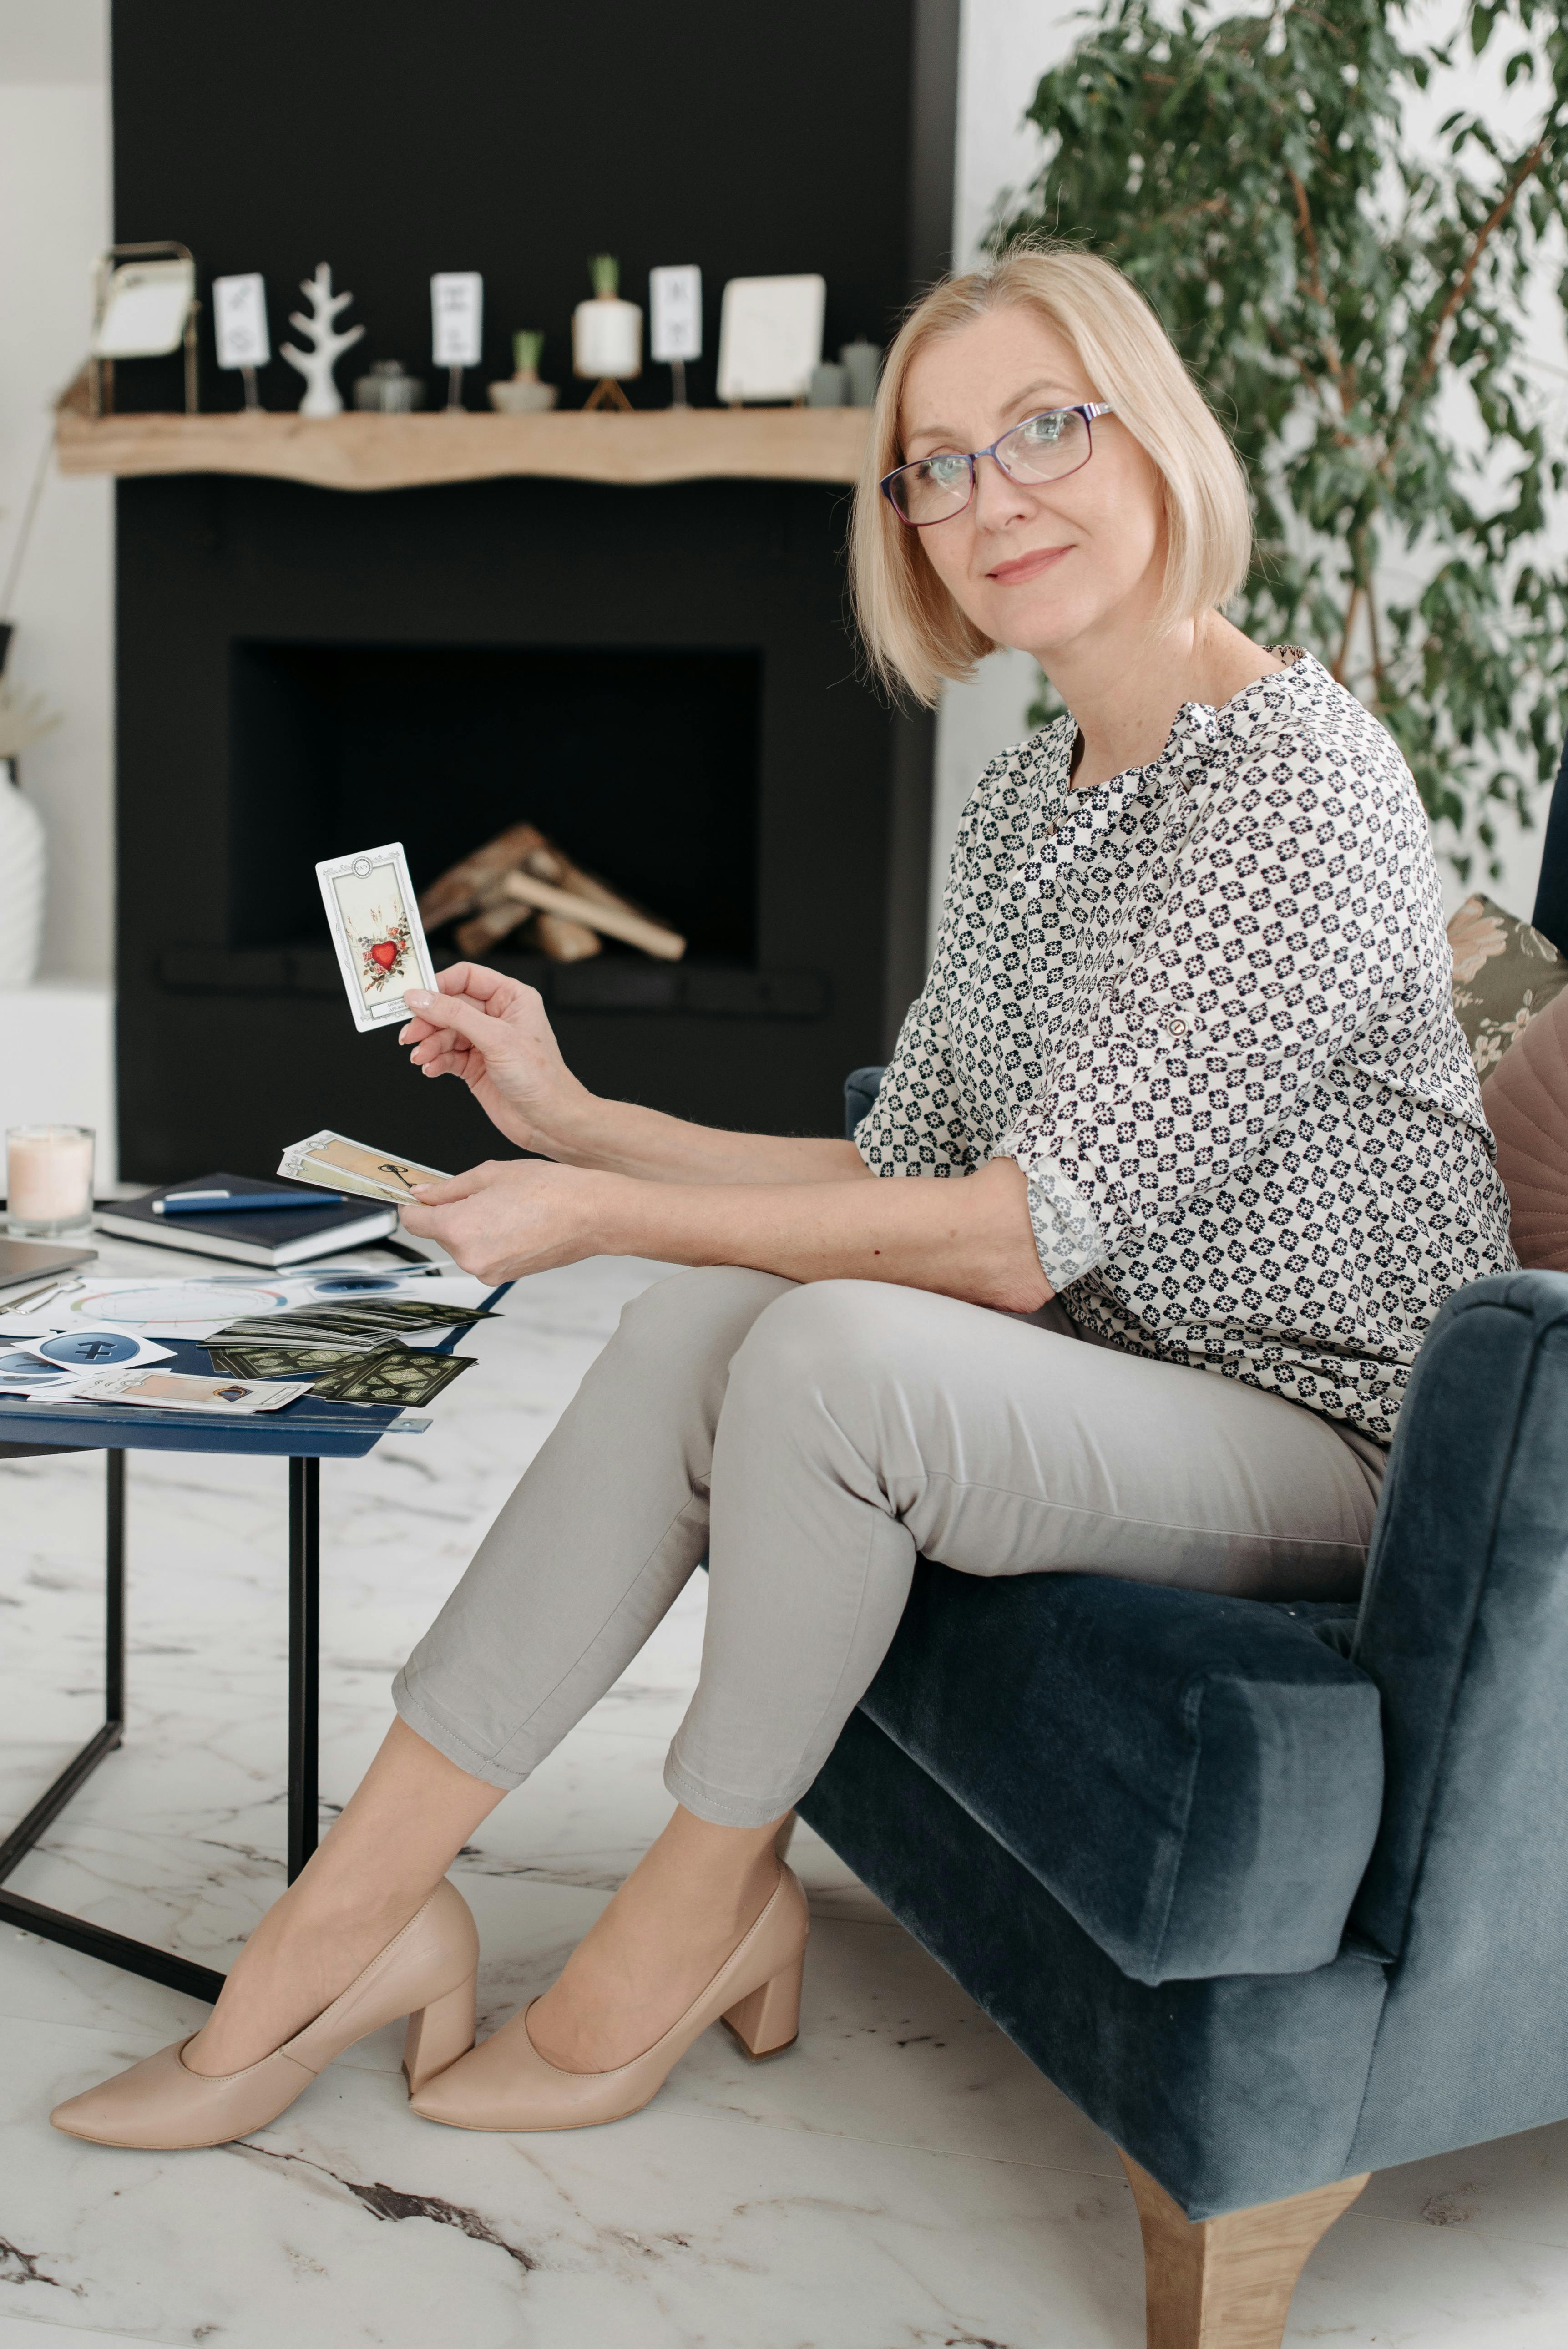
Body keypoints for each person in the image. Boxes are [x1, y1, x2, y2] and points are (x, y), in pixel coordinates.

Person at [54, 243, 1514, 2152]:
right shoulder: (1031, 795)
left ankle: (700, 1904)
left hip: (1325, 1430)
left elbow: (1006, 1231)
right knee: (696, 1328)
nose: (992, 497)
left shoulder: (1297, 781)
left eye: (1042, 430)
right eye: (936, 464)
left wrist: (595, 1213)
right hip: (1108, 1360)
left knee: (822, 1360)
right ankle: (352, 1911)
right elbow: (893, 1168)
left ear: (1151, 434)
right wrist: (574, 1117)